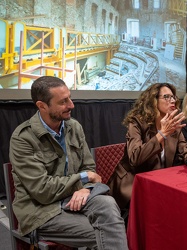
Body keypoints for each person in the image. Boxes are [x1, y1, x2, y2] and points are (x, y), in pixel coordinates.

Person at [9, 76, 128, 249]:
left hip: (73, 198)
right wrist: (83, 179)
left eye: (69, 98)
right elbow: (42, 190)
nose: (71, 105)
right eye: (63, 102)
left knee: (107, 204)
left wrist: (85, 189)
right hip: (41, 210)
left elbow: (89, 167)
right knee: (107, 233)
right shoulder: (23, 138)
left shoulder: (74, 127)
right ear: (42, 106)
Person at [108, 83, 187, 215]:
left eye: (173, 97)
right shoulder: (137, 123)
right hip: (132, 185)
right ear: (153, 100)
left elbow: (184, 150)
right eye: (166, 97)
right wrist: (161, 135)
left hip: (158, 184)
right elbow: (135, 158)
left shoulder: (173, 125)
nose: (172, 101)